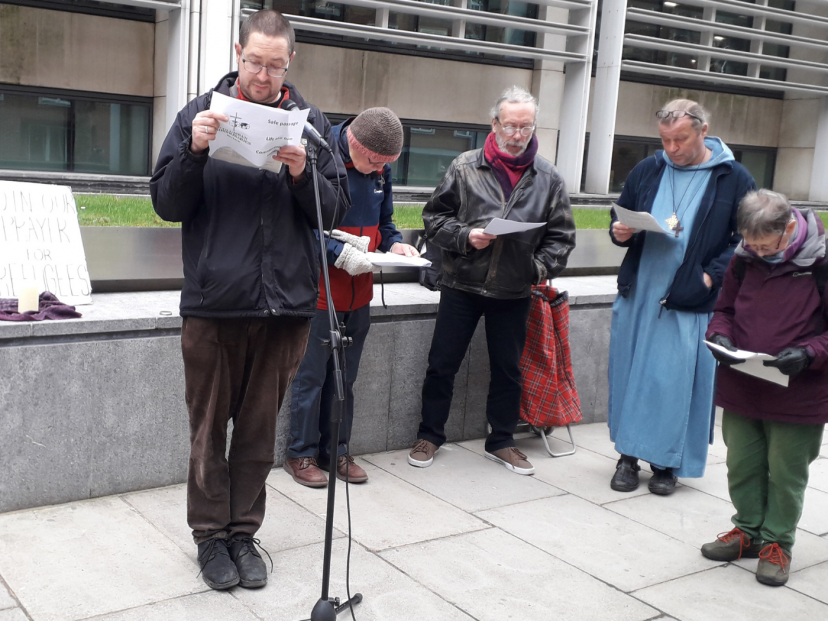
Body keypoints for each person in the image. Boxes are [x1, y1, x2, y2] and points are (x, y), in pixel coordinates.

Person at [150, 10, 349, 591]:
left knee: (260, 432)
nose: (262, 75)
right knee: (209, 430)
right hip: (214, 305)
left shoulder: (311, 125)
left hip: (284, 308)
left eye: (275, 64)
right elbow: (165, 202)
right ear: (239, 53)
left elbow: (334, 212)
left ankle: (243, 532)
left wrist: (302, 172)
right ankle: (210, 538)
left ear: (291, 61)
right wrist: (192, 149)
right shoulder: (200, 112)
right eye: (254, 62)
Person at [408, 85, 575, 475]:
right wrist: (467, 237)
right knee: (441, 365)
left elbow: (562, 239)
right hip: (461, 284)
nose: (518, 135)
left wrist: (534, 269)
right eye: (511, 126)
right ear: (495, 124)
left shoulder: (548, 177)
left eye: (526, 127)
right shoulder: (465, 166)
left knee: (508, 369)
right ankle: (429, 435)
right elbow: (434, 220)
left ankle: (501, 440)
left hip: (514, 290)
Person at [608, 99, 755, 495]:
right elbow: (621, 217)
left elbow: (745, 239)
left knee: (673, 381)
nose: (671, 148)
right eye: (665, 139)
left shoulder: (733, 177)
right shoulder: (648, 168)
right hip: (640, 289)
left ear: (703, 131)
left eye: (680, 139)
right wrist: (620, 231)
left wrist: (711, 277)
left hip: (690, 294)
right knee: (631, 376)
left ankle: (666, 463)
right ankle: (627, 456)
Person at [284, 107, 419, 487]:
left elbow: (386, 223)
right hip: (320, 290)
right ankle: (302, 454)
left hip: (360, 292)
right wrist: (336, 253)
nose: (379, 169)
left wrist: (394, 245)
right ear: (353, 144)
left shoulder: (380, 167)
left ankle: (337, 450)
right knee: (311, 378)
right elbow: (300, 223)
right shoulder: (320, 155)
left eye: (387, 164)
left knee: (347, 378)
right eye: (374, 161)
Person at [701, 190, 828, 587]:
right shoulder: (744, 259)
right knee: (742, 465)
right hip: (743, 383)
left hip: (798, 391)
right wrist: (719, 337)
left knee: (786, 475)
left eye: (764, 244)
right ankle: (748, 532)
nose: (754, 250)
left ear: (789, 228)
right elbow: (723, 310)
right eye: (749, 242)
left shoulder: (821, 262)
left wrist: (809, 353)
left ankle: (777, 544)